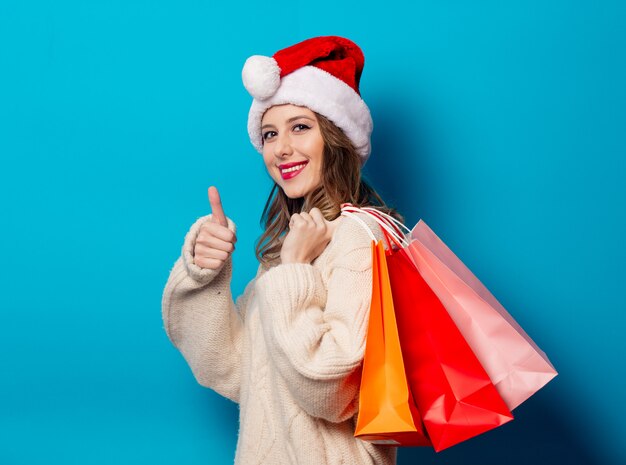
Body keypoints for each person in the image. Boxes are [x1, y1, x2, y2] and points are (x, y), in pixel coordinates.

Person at [161, 36, 404, 465]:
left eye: (300, 127)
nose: (281, 148)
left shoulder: (360, 238)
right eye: (270, 133)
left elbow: (333, 394)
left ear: (337, 137)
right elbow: (234, 370)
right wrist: (205, 273)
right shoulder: (288, 246)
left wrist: (295, 269)